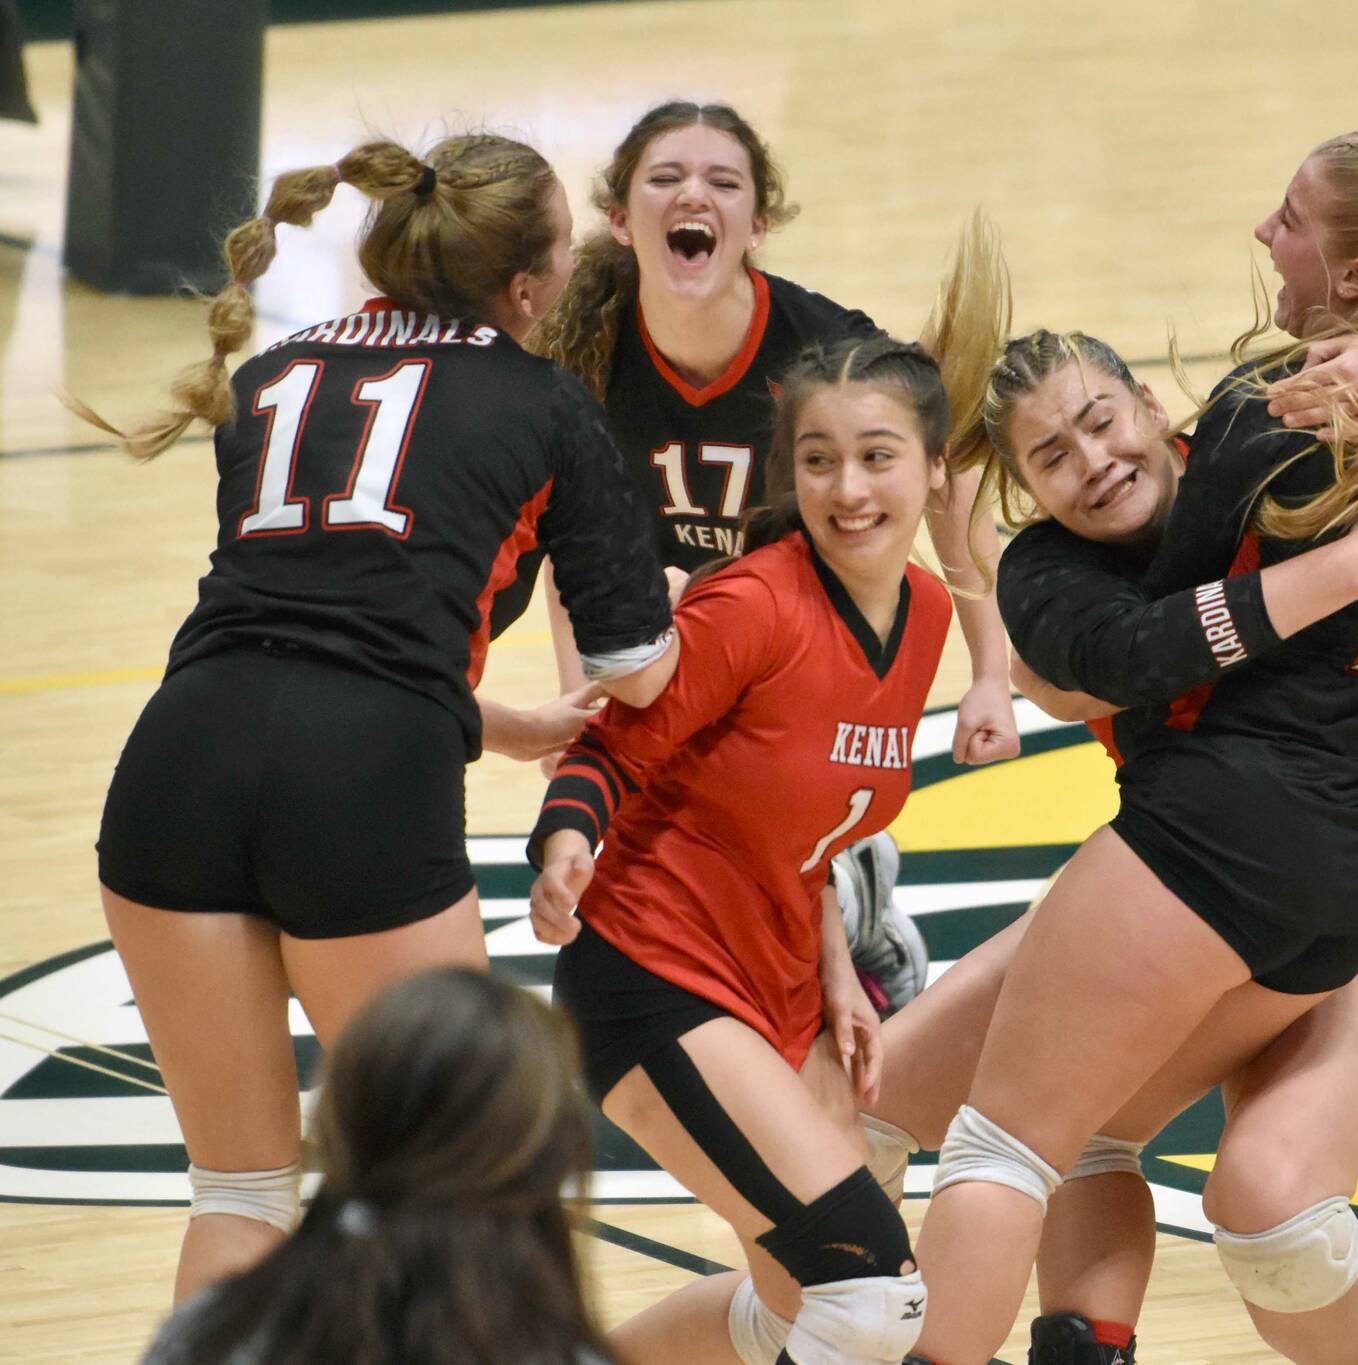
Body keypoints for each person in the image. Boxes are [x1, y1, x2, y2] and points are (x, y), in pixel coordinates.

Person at [859, 195, 1358, 1365]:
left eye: (1101, 423)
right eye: (1049, 458)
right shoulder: (1052, 581)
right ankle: (1081, 1343)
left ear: (1150, 410)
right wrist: (1347, 567)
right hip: (1224, 871)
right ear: (1022, 488)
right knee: (912, 1098)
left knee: (1257, 1201)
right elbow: (1138, 653)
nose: (1092, 464)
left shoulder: (1258, 430)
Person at [67, 133, 678, 1303]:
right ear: (529, 288)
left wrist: (493, 723)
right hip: (358, 785)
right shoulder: (547, 403)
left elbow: (312, 612)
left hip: (177, 762)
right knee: (466, 1188)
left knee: (239, 1192)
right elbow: (636, 669)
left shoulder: (277, 369)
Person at [527, 334, 964, 1365]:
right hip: (654, 975)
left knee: (793, 1309)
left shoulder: (927, 611)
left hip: (784, 984)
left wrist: (837, 975)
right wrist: (565, 839)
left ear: (935, 468)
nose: (846, 488)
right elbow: (614, 741)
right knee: (867, 1297)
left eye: (876, 456)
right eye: (817, 460)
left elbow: (807, 833)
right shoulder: (755, 602)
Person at [531, 99, 1016, 1010]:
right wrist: (583, 706)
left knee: (775, 838)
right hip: (674, 640)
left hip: (803, 642)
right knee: (668, 853)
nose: (694, 195)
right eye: (667, 177)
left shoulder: (823, 347)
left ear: (757, 224)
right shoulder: (582, 360)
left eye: (724, 181)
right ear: (618, 217)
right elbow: (573, 555)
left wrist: (990, 670)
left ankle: (849, 890)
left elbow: (946, 481)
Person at [140, 968, 614, 1365]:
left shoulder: (205, 1328)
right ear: (549, 1156)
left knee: (234, 1189)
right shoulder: (556, 1351)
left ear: (339, 1123)